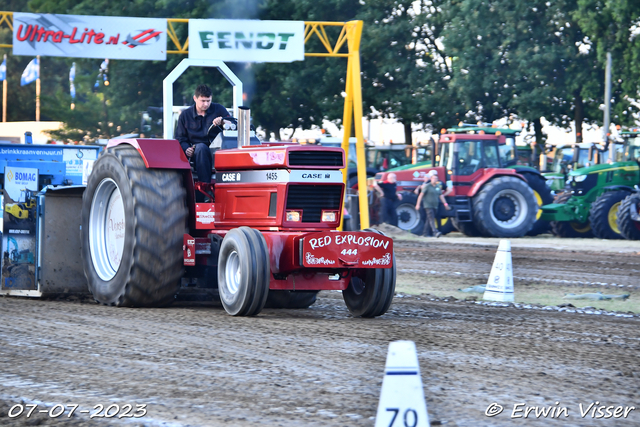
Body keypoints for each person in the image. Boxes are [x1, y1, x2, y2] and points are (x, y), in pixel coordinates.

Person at [175, 84, 230, 185]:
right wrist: (187, 149)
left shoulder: (219, 109)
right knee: (201, 148)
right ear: (195, 98)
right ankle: (205, 186)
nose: (206, 104)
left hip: (218, 149)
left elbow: (233, 125)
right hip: (197, 152)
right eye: (203, 101)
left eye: (208, 101)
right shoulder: (185, 115)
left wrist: (223, 121)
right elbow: (180, 138)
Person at [415, 171, 450, 237]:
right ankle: (435, 232)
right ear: (431, 179)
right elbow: (421, 195)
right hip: (428, 205)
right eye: (433, 178)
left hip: (435, 206)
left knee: (429, 219)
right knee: (431, 218)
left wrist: (446, 204)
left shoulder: (437, 187)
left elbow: (441, 196)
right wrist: (418, 204)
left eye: (436, 178)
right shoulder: (427, 186)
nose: (435, 179)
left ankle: (425, 233)